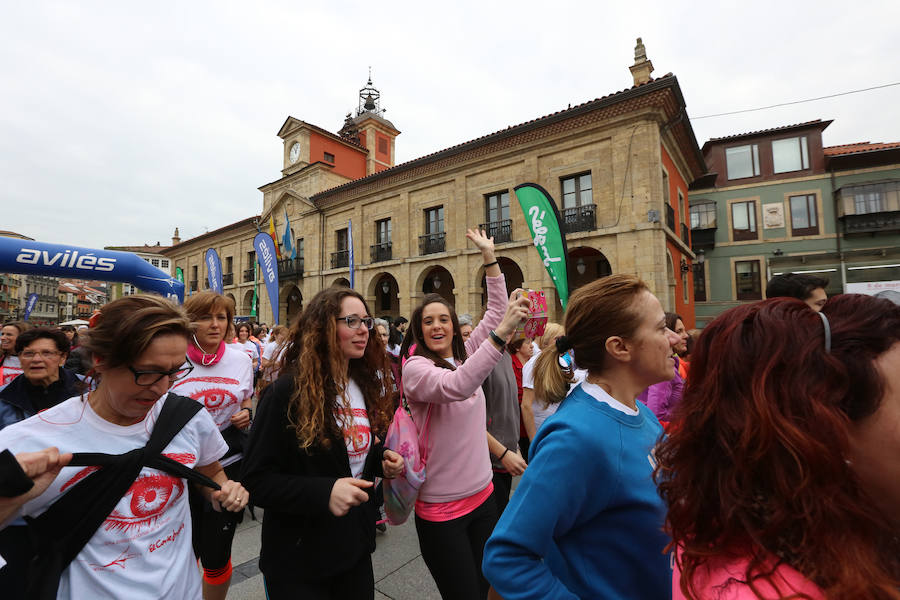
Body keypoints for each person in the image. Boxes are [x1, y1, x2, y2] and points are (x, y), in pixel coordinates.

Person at [0, 294, 247, 600]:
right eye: (147, 372)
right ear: (102, 360)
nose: (161, 388)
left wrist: (222, 490)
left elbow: (210, 470)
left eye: (174, 371)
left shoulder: (186, 417)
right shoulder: (26, 442)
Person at [656, 295, 900, 599]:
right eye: (658, 329)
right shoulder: (763, 582)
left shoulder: (750, 523)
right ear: (827, 428)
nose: (672, 338)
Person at [483, 274, 680, 599]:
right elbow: (507, 558)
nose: (673, 339)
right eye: (660, 328)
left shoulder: (642, 415)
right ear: (620, 347)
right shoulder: (576, 438)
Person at [242, 286, 404, 599]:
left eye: (366, 323)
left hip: (353, 548)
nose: (363, 332)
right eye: (351, 322)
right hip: (300, 560)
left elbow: (347, 452)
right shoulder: (286, 394)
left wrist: (380, 458)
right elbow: (257, 478)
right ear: (324, 328)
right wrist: (324, 492)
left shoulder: (361, 384)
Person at [400, 228, 529, 600]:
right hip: (442, 509)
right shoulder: (415, 369)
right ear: (419, 331)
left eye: (444, 319)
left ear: (453, 326)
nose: (438, 325)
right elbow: (456, 386)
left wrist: (490, 258)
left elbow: (493, 312)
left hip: (484, 495)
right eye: (428, 321)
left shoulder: (462, 356)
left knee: (491, 586)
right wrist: (501, 335)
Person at [170, 291, 253, 600]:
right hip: (178, 469)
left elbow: (244, 399)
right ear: (189, 321)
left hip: (227, 465)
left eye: (222, 317)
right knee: (181, 551)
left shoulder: (242, 359)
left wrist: (246, 413)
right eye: (206, 317)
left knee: (217, 553)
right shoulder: (173, 359)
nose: (215, 325)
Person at [0, 328, 83, 596]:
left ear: (62, 357)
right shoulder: (3, 397)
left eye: (46, 353)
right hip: (18, 514)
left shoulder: (88, 393)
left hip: (75, 507)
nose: (37, 359)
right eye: (28, 353)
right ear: (19, 358)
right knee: (16, 585)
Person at [482, 332, 527, 515]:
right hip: (491, 458)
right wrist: (502, 452)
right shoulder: (484, 359)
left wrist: (514, 445)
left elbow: (510, 408)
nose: (510, 331)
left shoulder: (506, 356)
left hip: (506, 453)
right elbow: (472, 419)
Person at [637, 312, 688, 422]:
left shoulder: (672, 364)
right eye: (679, 331)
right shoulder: (662, 368)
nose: (685, 336)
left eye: (684, 330)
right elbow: (656, 414)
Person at [507, 337, 533, 461]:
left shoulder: (531, 362)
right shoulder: (511, 364)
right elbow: (518, 394)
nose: (532, 345)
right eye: (527, 343)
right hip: (520, 423)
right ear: (517, 347)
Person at [1, 322, 28, 387]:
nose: (3, 338)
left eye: (9, 334)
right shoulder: (1, 357)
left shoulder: (33, 360)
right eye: (2, 334)